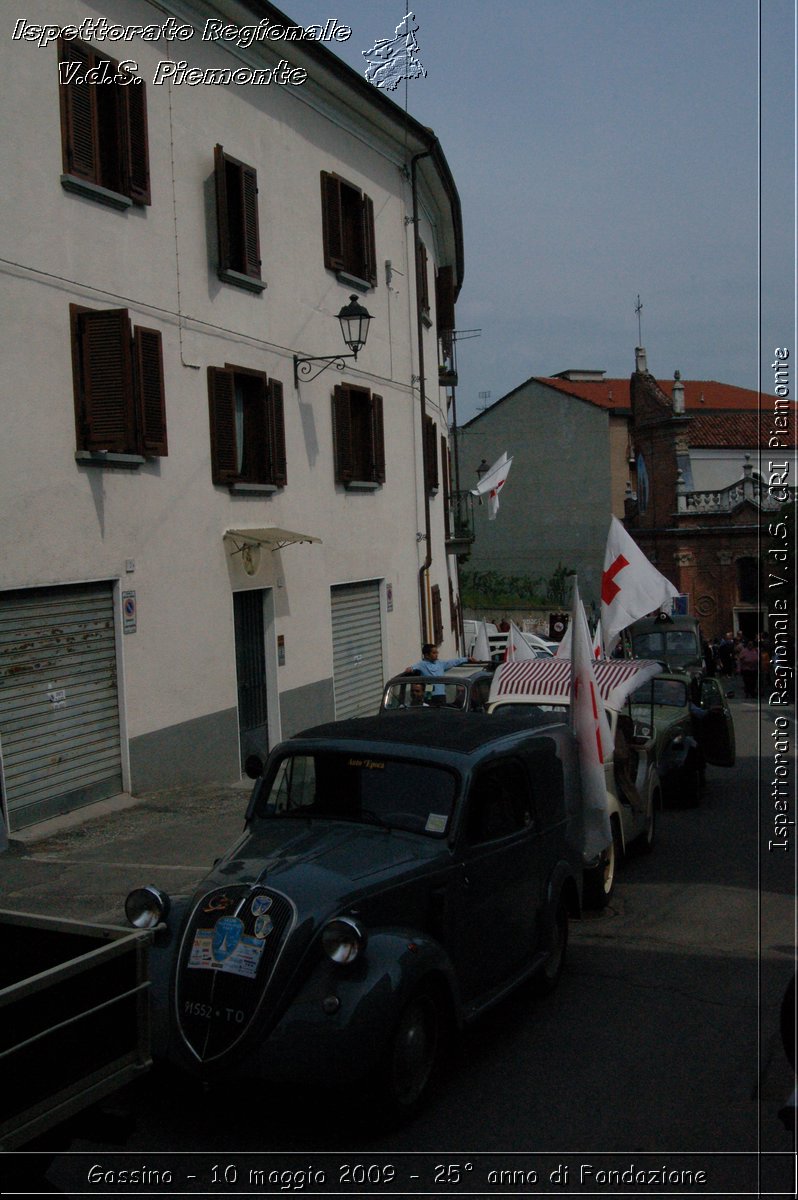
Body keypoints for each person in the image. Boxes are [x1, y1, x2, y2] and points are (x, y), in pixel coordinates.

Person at [409, 643, 476, 703]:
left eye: (437, 653)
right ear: (427, 655)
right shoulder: (422, 664)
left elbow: (453, 662)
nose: (436, 655)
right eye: (434, 653)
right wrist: (410, 669)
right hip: (429, 695)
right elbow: (412, 667)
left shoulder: (440, 663)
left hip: (441, 694)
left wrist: (466, 659)